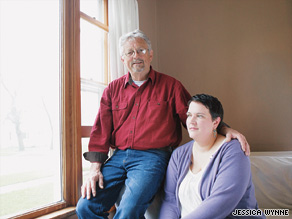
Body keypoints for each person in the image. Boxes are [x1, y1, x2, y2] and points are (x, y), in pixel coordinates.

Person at [76, 30, 250, 219]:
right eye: (130, 52)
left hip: (153, 157)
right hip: (118, 157)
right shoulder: (112, 89)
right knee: (85, 207)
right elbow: (100, 130)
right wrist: (95, 169)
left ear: (151, 54)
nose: (136, 56)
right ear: (122, 58)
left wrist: (225, 129)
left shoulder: (171, 86)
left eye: (141, 50)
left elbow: (194, 117)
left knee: (129, 209)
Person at [159, 94, 265, 219]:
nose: (191, 121)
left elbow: (220, 202)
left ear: (216, 122)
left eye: (199, 116)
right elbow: (170, 200)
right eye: (189, 115)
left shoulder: (234, 151)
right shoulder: (179, 154)